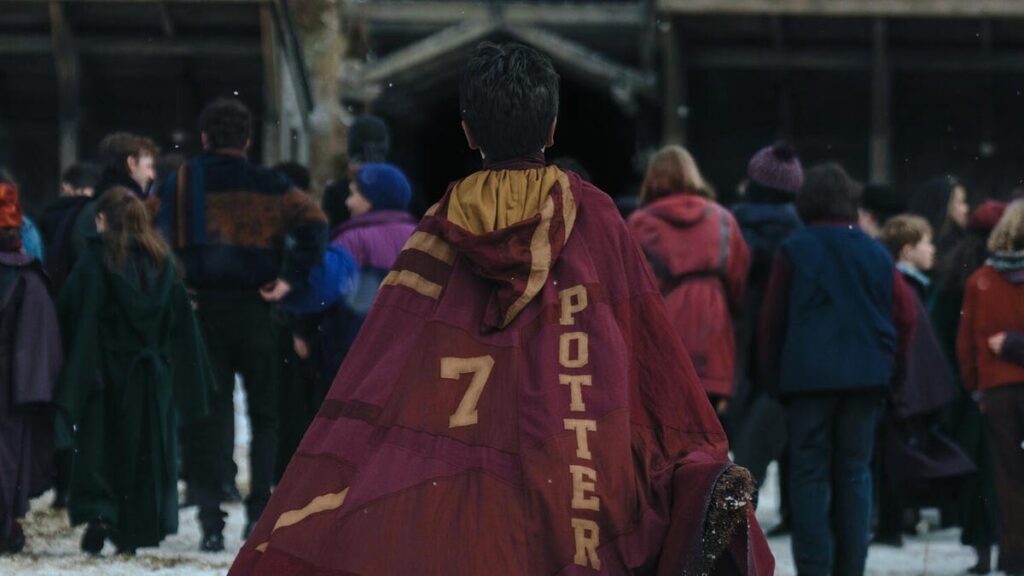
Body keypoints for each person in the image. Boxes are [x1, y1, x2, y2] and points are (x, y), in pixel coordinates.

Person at [229, 42, 772, 575]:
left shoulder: (440, 226)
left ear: (468, 132)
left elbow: (384, 355)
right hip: (574, 466)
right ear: (553, 128)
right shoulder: (596, 217)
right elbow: (650, 351)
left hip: (463, 479)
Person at [157, 97, 328, 552]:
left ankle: (211, 520)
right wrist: (288, 279)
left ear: (204, 138)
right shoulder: (273, 185)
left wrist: (180, 286)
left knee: (208, 415)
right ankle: (258, 512)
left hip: (203, 310)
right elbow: (316, 225)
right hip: (257, 308)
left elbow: (154, 237)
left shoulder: (180, 182)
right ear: (248, 141)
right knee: (265, 414)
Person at [759, 162, 915, 576]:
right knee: (855, 472)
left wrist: (773, 376)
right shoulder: (874, 251)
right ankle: (851, 566)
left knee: (808, 473)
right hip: (866, 377)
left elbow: (773, 319)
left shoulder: (794, 249)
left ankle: (815, 566)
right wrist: (892, 368)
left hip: (807, 379)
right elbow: (906, 315)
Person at [56, 187, 215, 556]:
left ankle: (101, 510)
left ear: (102, 220)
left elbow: (71, 309)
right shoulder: (163, 263)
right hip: (151, 376)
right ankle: (134, 524)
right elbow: (181, 325)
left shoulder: (97, 260)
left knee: (101, 446)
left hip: (104, 371)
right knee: (144, 451)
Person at [627, 146, 750, 414]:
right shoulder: (724, 220)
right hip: (713, 337)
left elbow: (628, 291)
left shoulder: (638, 224)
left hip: (662, 338)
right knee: (709, 428)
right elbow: (740, 286)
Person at [875, 215, 973, 546]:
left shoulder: (910, 285)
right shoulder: (904, 287)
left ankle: (895, 521)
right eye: (926, 243)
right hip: (908, 389)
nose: (933, 250)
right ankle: (893, 522)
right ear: (907, 250)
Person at [729, 142, 804, 535]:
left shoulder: (731, 229)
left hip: (736, 346)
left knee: (742, 445)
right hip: (785, 352)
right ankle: (791, 512)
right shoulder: (800, 236)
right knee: (788, 438)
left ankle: (738, 522)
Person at [931, 200, 1005, 573]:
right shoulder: (990, 279)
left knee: (981, 471)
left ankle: (983, 548)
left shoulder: (958, 276)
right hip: (998, 383)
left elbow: (944, 334)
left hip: (968, 387)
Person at [958, 201, 1024, 576]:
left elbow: (966, 344)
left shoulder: (980, 280)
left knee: (1007, 477)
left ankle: (1014, 559)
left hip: (997, 390)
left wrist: (976, 388)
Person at [0, 181, 62, 554]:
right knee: (7, 452)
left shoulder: (26, 277)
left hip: (11, 374)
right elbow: (39, 338)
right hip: (11, 378)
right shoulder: (26, 277)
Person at [908, 175, 969, 259]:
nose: (966, 209)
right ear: (944, 205)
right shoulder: (928, 249)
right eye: (960, 202)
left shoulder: (961, 241)